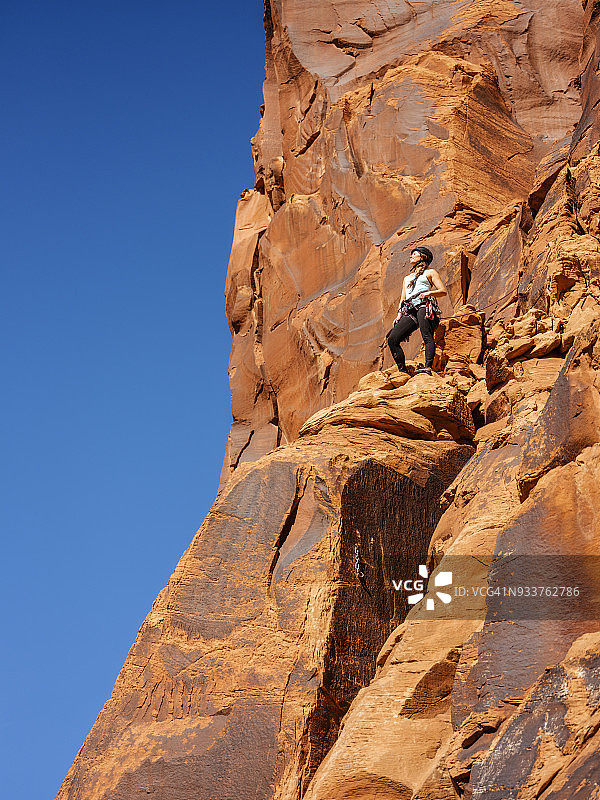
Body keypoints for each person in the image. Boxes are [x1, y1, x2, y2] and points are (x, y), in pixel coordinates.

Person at [386, 246, 447, 375]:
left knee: (426, 335)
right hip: (410, 311)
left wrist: (428, 293)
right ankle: (402, 371)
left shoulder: (430, 273)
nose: (411, 256)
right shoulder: (407, 278)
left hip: (424, 306)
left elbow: (443, 291)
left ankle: (427, 367)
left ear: (422, 257)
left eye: (414, 254)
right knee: (392, 339)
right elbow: (403, 299)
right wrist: (398, 315)